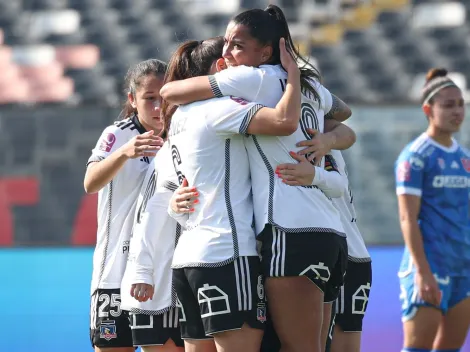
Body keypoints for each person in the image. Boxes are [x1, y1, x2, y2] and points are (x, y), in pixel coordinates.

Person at [160, 5, 355, 352]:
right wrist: (323, 133)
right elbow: (344, 114)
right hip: (332, 232)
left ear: (265, 50)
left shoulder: (248, 79)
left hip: (287, 231)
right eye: (225, 46)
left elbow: (169, 93)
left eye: (237, 45)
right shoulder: (310, 85)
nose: (227, 55)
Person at [161, 35, 303, 352]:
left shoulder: (179, 117)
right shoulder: (220, 108)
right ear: (221, 67)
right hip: (226, 252)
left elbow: (170, 188)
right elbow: (284, 121)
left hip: (187, 259)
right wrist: (294, 76)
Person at [84, 59, 166, 352]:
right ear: (133, 99)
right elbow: (90, 182)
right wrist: (123, 153)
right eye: (149, 99)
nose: (158, 107)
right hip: (115, 272)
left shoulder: (182, 137)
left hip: (160, 273)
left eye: (164, 98)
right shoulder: (118, 133)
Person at [395, 67, 470, 352]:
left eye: (461, 104)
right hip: (430, 265)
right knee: (417, 348)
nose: (457, 111)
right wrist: (423, 272)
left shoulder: (464, 158)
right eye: (448, 105)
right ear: (428, 109)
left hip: (462, 265)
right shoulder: (415, 157)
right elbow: (407, 218)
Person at [275, 149, 372, 352]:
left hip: (343, 251)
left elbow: (342, 122)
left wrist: (330, 139)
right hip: (294, 245)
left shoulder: (319, 133)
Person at [120, 141, 184, 352]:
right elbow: (149, 214)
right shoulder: (171, 153)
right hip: (158, 287)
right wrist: (142, 271)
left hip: (187, 279)